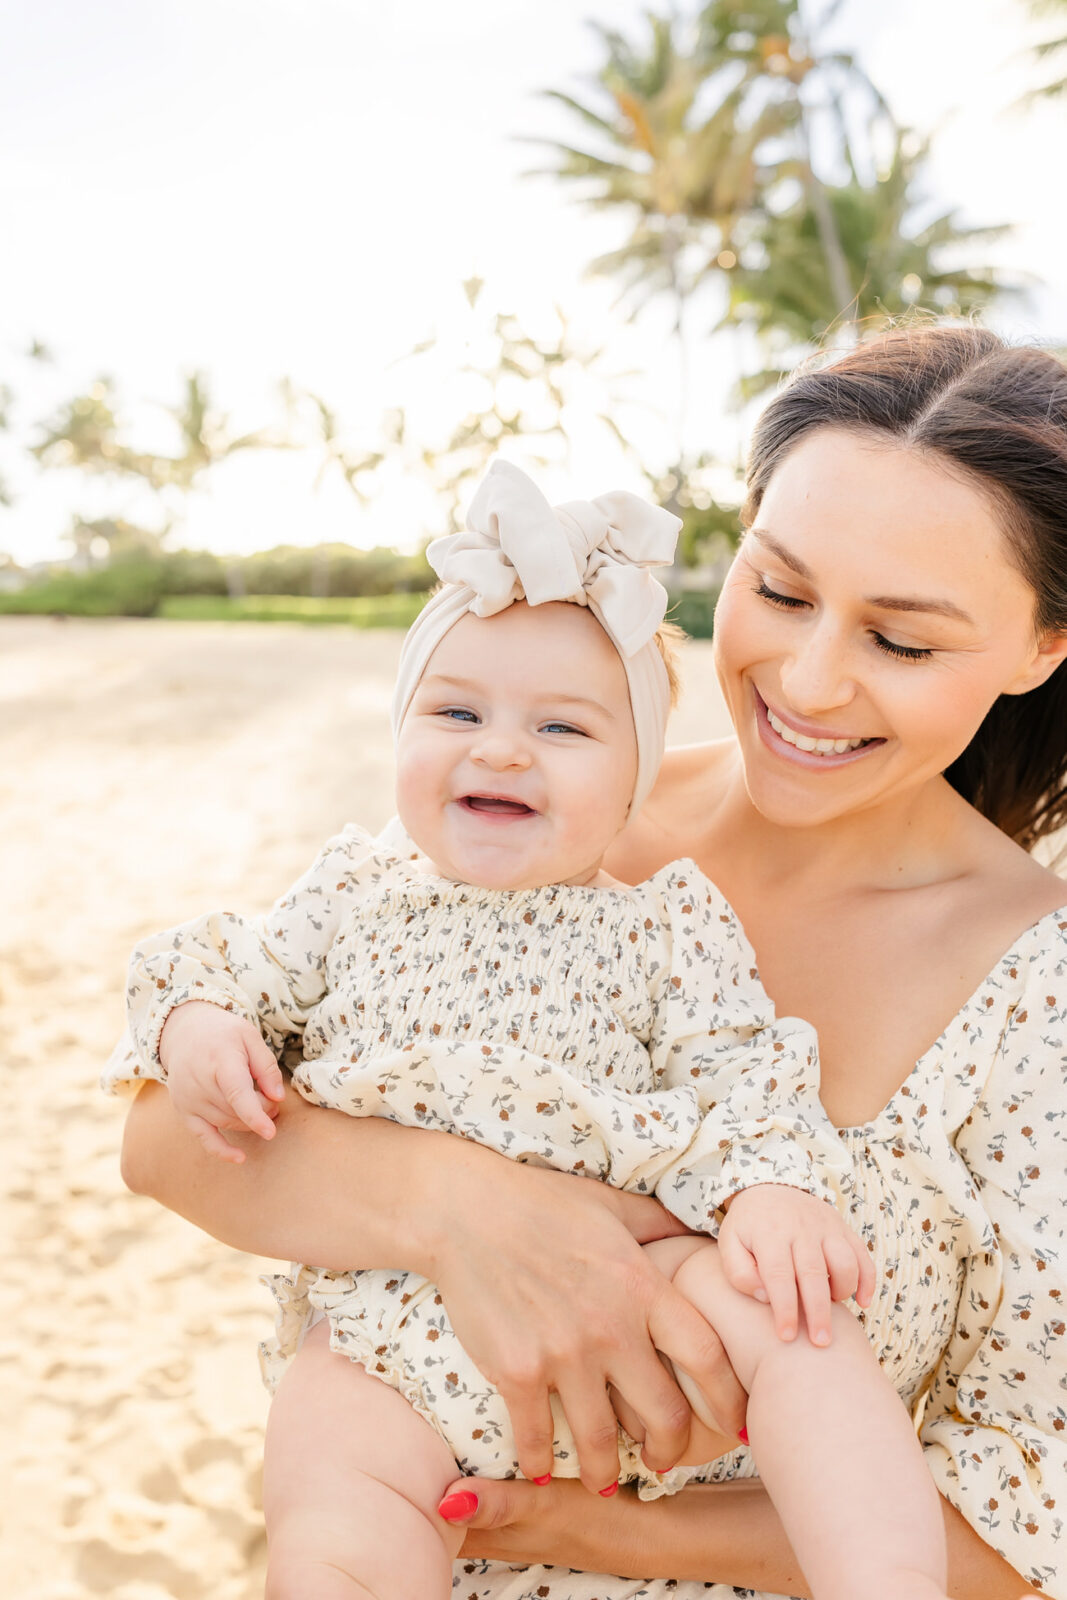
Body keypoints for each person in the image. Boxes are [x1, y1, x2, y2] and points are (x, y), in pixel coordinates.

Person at [117, 326, 1067, 1600]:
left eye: (900, 642)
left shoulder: (1033, 991)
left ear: (1038, 650)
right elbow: (168, 1140)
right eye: (778, 590)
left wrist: (571, 1523)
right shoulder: (547, 810)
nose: (806, 675)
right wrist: (463, 1213)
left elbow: (1030, 1505)